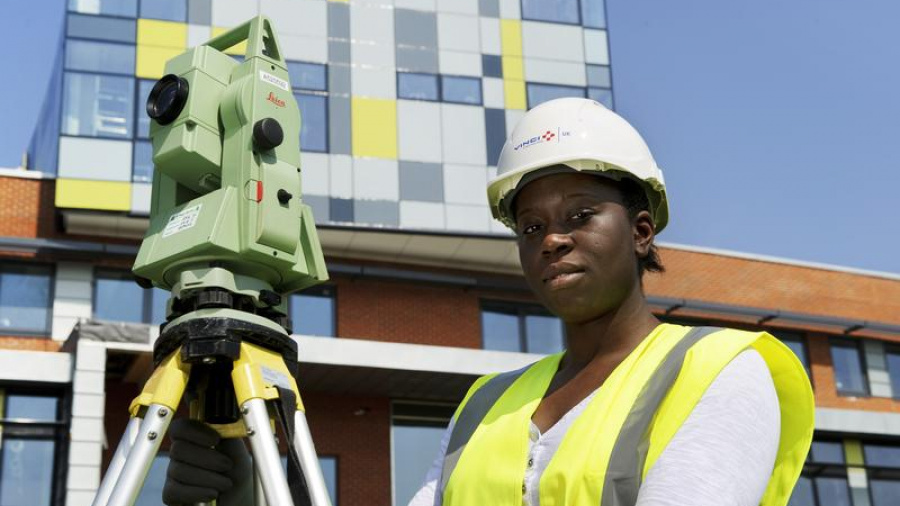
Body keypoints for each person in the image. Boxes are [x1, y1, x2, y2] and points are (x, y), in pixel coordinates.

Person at [161, 97, 814, 506]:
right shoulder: (485, 404)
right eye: (532, 227)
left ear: (641, 231)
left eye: (581, 214)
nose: (553, 239)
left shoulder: (721, 371)